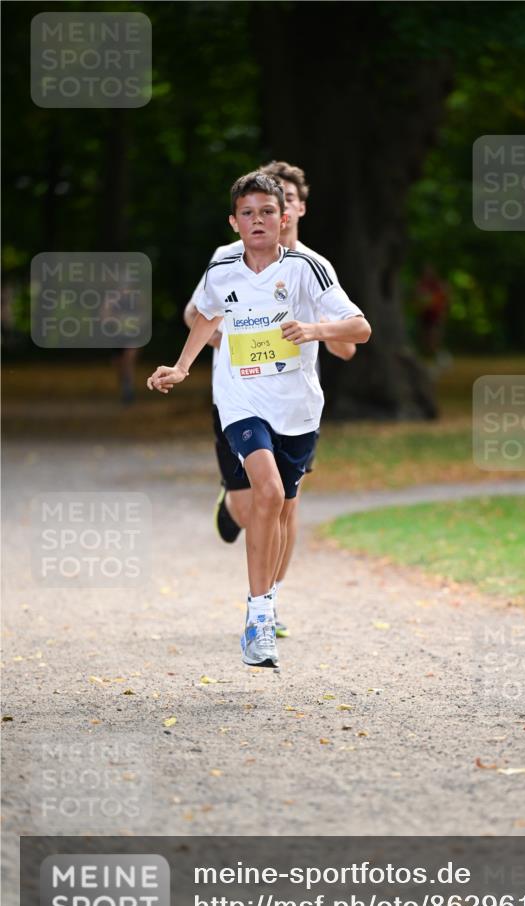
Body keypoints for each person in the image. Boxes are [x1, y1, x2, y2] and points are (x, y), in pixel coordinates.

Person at [148, 171, 371, 669]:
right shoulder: (223, 264)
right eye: (247, 213)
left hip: (296, 408)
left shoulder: (309, 268)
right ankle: (259, 617)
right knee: (266, 492)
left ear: (285, 217)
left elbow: (361, 327)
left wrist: (312, 329)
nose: (258, 221)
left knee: (283, 506)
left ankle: (267, 594)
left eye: (268, 212)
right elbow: (205, 314)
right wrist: (182, 367)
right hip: (240, 398)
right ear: (233, 222)